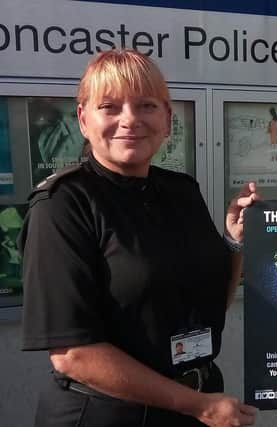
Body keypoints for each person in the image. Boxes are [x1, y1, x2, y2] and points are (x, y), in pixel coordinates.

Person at [19, 49, 258, 427]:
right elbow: (72, 354)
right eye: (110, 107)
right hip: (108, 414)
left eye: (146, 105)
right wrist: (200, 407)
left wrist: (234, 241)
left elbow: (211, 303)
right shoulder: (62, 206)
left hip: (195, 401)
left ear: (167, 120)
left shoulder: (181, 191)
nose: (129, 120)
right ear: (83, 119)